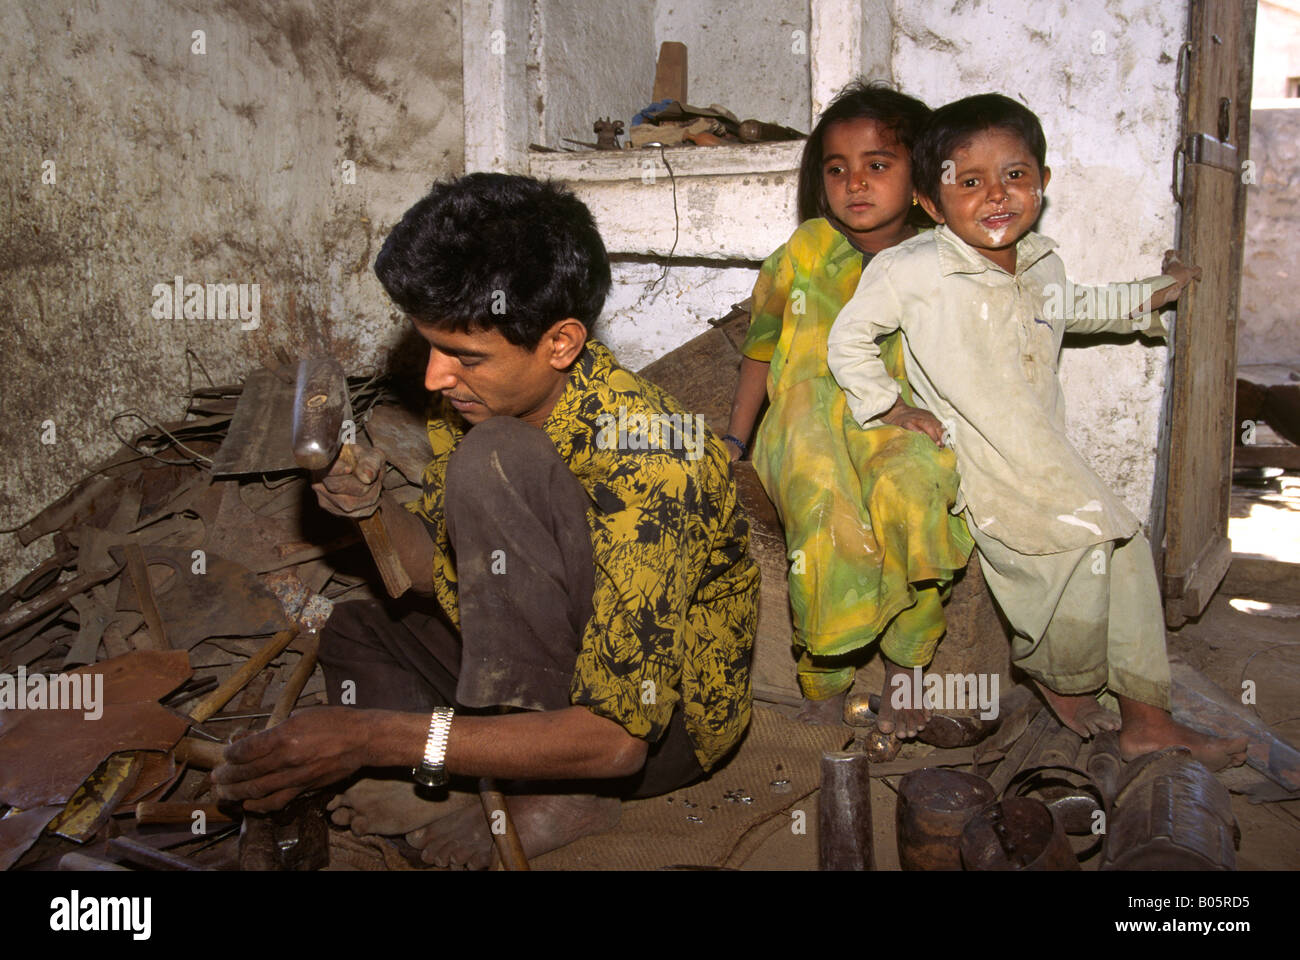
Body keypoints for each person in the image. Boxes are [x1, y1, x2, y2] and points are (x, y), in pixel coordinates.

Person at [212, 173, 760, 867]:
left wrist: (374, 739)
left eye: (465, 357)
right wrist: (370, 508)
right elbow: (427, 577)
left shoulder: (653, 458)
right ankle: (467, 769)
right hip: (533, 665)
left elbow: (621, 739)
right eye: (430, 347)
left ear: (561, 343)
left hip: (653, 732)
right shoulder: (473, 402)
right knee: (354, 631)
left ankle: (559, 791)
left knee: (495, 461)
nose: (437, 378)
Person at [826, 93, 1247, 768]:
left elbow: (1080, 308)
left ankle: (1135, 714)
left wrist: (1155, 290)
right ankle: (1076, 688)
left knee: (1124, 551)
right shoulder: (912, 269)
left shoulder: (1041, 261)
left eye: (1015, 176)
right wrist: (888, 407)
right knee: (1081, 568)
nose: (996, 195)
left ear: (1042, 185)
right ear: (933, 205)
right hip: (990, 465)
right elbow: (849, 339)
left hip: (1047, 454)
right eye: (969, 182)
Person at [723, 81, 973, 738]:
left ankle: (908, 672)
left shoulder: (940, 259)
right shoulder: (804, 251)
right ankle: (824, 684)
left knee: (914, 488)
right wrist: (734, 440)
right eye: (837, 169)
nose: (854, 183)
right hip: (803, 415)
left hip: (898, 416)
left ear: (919, 174)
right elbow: (760, 348)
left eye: (877, 165)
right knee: (820, 495)